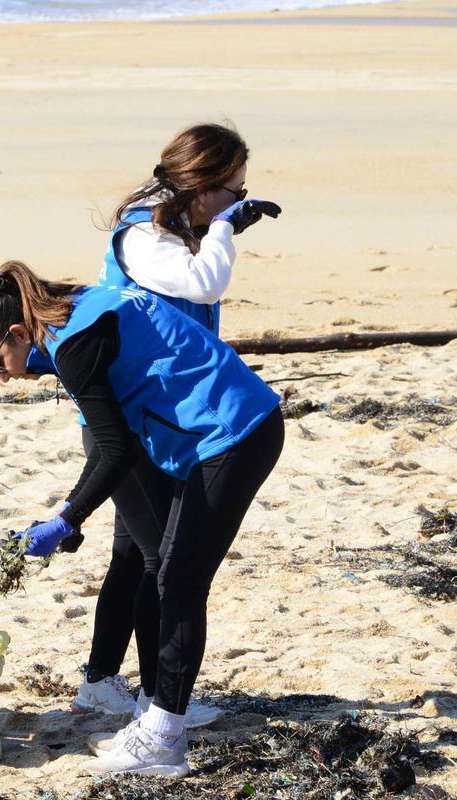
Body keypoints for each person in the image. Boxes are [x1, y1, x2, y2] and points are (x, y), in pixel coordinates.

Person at [0, 261, 285, 777]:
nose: (2, 377)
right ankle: (159, 711)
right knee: (163, 569)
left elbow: (112, 451)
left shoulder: (75, 344)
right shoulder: (76, 310)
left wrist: (66, 518)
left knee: (177, 582)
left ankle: (163, 739)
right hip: (215, 432)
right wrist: (74, 515)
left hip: (235, 434)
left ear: (18, 332)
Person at [72, 123, 281, 725]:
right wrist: (223, 229)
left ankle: (108, 685)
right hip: (130, 423)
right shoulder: (142, 235)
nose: (241, 199)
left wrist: (218, 222)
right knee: (159, 560)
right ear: (201, 185)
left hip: (163, 415)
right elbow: (203, 281)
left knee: (138, 556)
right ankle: (153, 698)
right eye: (234, 189)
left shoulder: (177, 224)